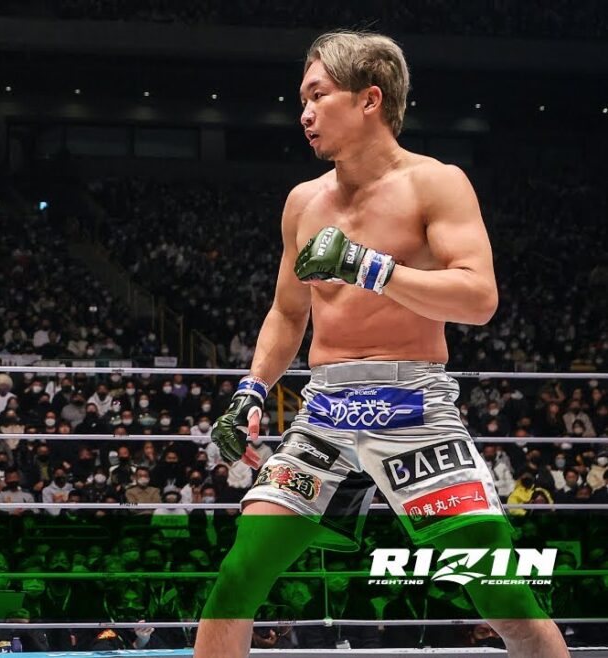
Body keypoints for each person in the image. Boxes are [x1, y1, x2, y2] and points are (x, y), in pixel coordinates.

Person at [201, 30, 567, 658]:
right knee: (238, 576)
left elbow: (479, 298)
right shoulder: (302, 202)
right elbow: (288, 313)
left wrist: (368, 266)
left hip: (412, 405)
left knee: (502, 597)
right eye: (302, 99)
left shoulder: (435, 183)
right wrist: (251, 390)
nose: (304, 113)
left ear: (369, 99)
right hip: (326, 409)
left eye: (318, 95)